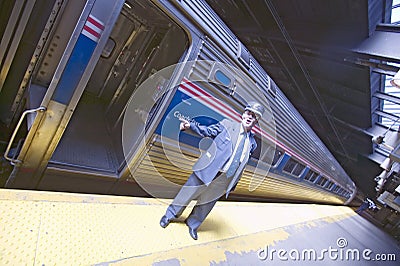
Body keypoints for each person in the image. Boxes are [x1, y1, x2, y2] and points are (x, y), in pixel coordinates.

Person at [159, 101, 265, 240]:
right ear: (243, 114)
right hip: (207, 169)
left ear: (256, 121)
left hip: (224, 179)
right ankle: (170, 215)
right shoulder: (228, 125)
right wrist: (190, 126)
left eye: (254, 116)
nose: (250, 117)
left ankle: (192, 224)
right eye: (248, 113)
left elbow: (241, 165)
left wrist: (232, 184)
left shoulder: (252, 144)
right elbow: (207, 131)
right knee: (187, 193)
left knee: (206, 204)